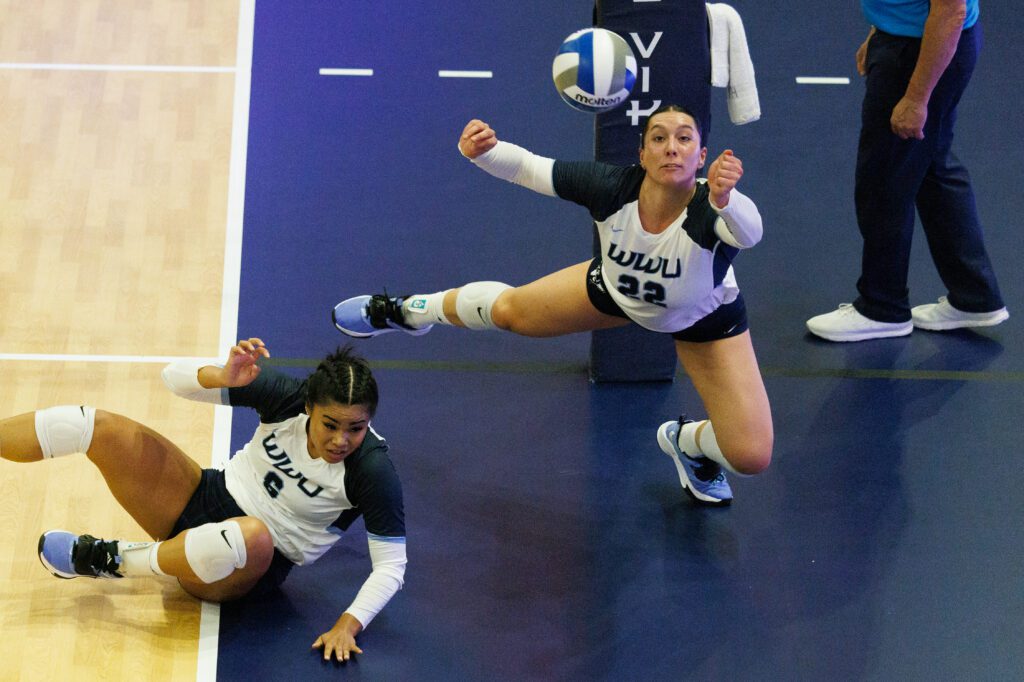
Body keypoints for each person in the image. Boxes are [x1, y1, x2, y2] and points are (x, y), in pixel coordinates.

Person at [333, 106, 773, 505]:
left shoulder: (712, 211)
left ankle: (688, 442)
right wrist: (483, 152)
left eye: (684, 139)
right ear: (641, 154)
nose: (671, 148)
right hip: (614, 292)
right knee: (507, 311)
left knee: (750, 456)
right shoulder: (611, 188)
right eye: (658, 137)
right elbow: (528, 168)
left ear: (701, 157)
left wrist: (724, 199)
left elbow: (749, 233)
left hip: (705, 319)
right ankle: (409, 312)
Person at [0, 338, 406, 663]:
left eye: (356, 428)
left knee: (252, 535)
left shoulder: (371, 470)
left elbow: (392, 566)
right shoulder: (287, 398)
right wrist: (220, 375)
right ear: (308, 408)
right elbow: (172, 378)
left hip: (251, 565)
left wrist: (347, 625)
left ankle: (110, 558)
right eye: (330, 425)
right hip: (203, 496)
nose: (341, 440)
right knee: (91, 425)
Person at [806, 0, 1007, 342]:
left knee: (884, 180)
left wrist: (916, 98)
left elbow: (950, 10)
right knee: (932, 170)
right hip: (911, 40)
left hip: (923, 51)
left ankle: (882, 307)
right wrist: (880, 30)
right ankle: (975, 296)